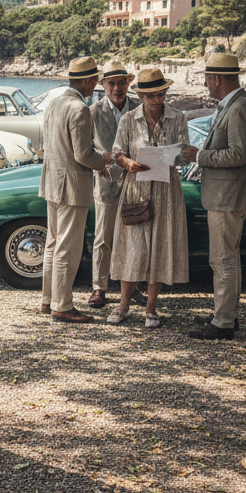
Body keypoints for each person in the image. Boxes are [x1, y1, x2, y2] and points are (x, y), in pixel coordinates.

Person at [182, 53, 246, 340]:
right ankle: (225, 314)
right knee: (228, 257)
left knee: (222, 259)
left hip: (228, 195)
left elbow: (238, 154)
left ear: (217, 79)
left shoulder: (240, 107)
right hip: (228, 194)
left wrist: (200, 155)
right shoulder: (239, 104)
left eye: (207, 80)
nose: (206, 85)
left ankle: (223, 322)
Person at [106, 68, 190, 327]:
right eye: (151, 95)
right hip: (136, 187)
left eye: (161, 93)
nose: (157, 99)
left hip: (166, 189)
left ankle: (151, 309)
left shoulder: (178, 117)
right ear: (141, 95)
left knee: (160, 247)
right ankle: (122, 307)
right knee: (133, 248)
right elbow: (116, 153)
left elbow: (184, 153)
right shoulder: (129, 120)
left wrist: (174, 155)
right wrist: (128, 162)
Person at [39, 56, 112, 323]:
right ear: (87, 81)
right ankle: (62, 304)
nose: (96, 85)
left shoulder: (54, 103)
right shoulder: (79, 108)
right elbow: (82, 154)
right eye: (95, 80)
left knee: (53, 244)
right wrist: (103, 159)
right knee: (67, 248)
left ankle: (48, 299)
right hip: (71, 186)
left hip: (51, 181)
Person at [87, 59, 141, 308]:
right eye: (112, 83)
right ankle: (99, 287)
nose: (117, 88)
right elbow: (87, 148)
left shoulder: (140, 108)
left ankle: (132, 285)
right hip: (107, 183)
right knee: (103, 237)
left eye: (122, 82)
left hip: (137, 182)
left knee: (135, 235)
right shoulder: (93, 112)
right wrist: (103, 161)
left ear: (129, 83)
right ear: (103, 85)